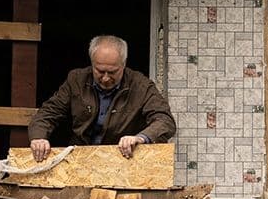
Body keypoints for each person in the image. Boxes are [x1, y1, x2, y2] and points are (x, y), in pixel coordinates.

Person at [28, 35, 176, 161]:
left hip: (122, 159)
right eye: (99, 71)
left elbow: (165, 121)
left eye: (112, 72)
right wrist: (38, 138)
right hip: (80, 157)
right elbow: (48, 113)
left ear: (123, 65)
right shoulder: (76, 80)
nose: (105, 78)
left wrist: (140, 138)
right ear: (92, 63)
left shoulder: (141, 85)